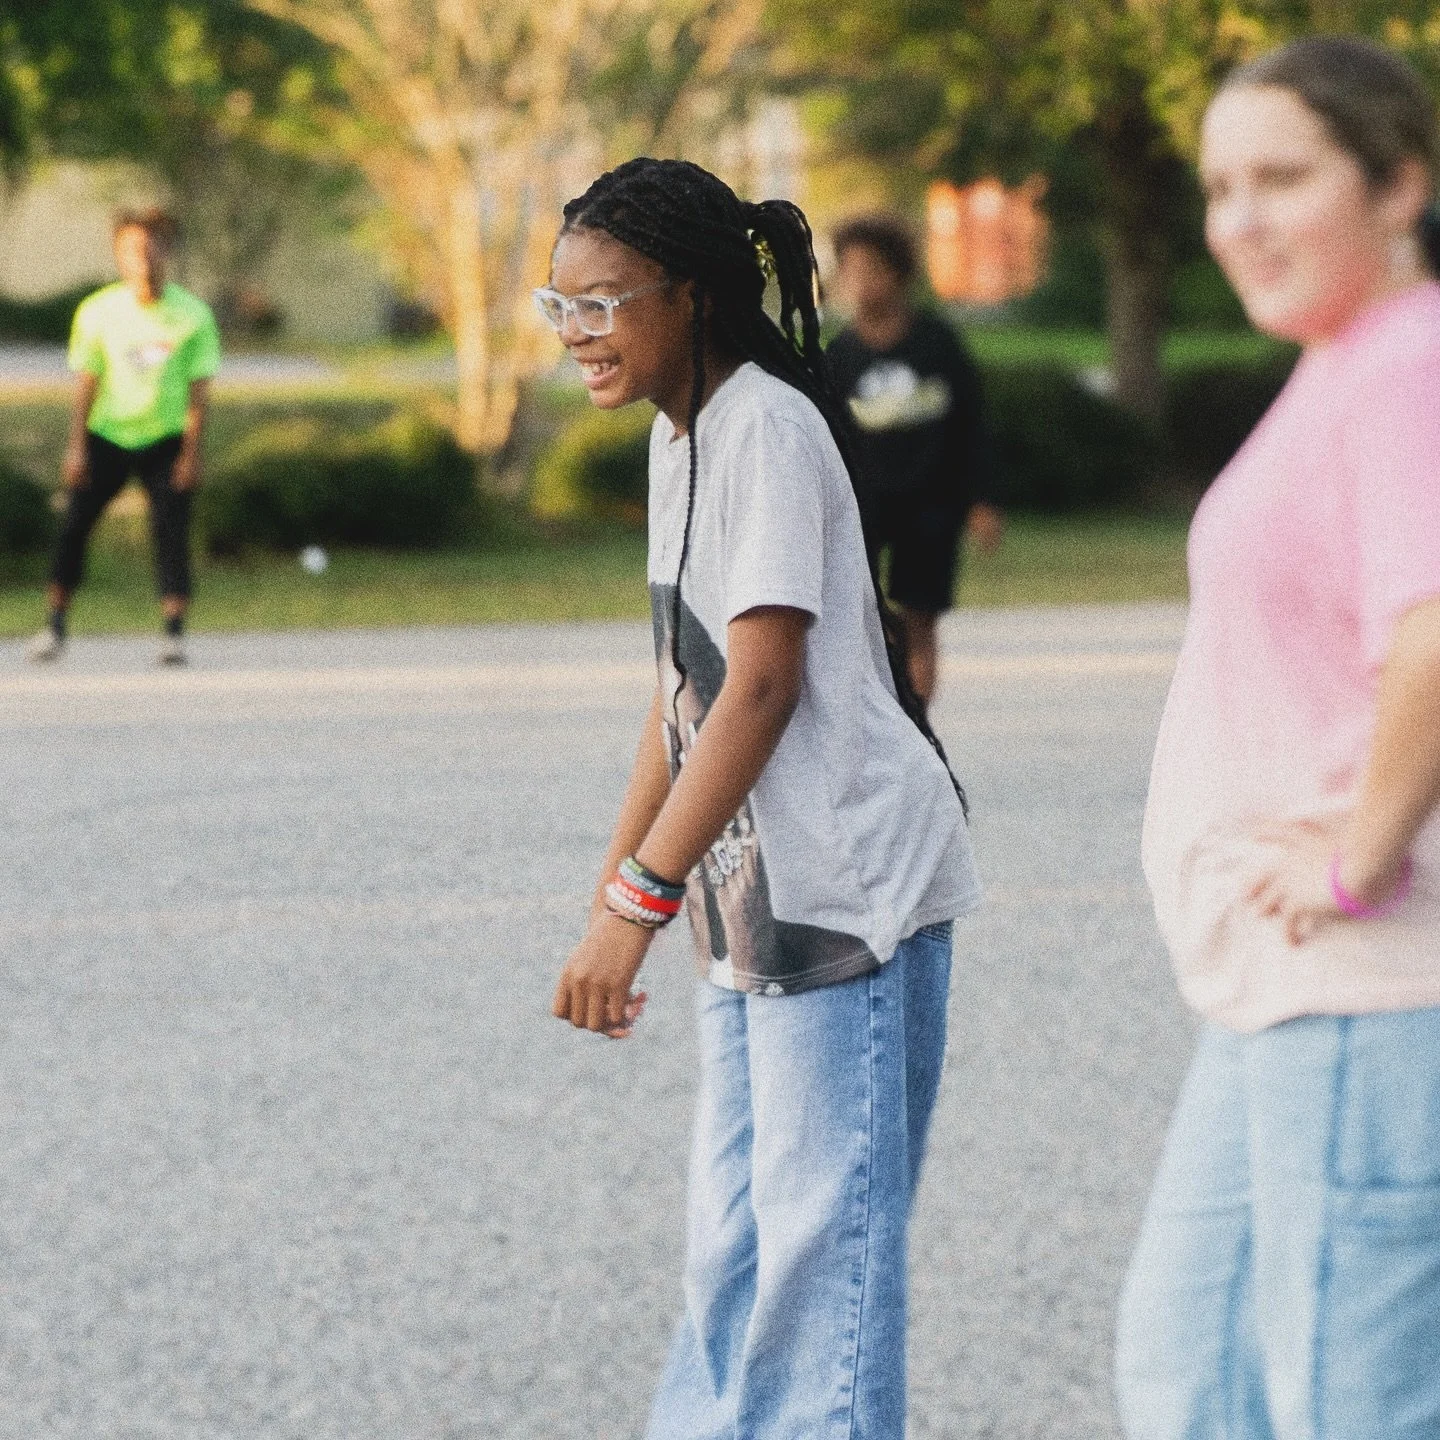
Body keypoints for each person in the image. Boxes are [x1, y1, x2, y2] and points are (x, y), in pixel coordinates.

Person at [542, 159, 980, 1438]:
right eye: (558, 306)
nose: (577, 335)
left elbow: (762, 687)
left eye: (603, 303)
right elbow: (681, 690)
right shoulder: (679, 441)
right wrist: (614, 896)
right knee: (729, 1251)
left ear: (690, 296)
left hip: (846, 898)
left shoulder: (769, 430)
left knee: (817, 1266)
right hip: (754, 905)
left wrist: (637, 900)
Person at [1117, 36, 1440, 1439]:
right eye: (1219, 185)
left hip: (1370, 987)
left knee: (1350, 1406)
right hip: (1277, 994)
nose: (1238, 220)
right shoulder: (1342, 364)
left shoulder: (1409, 368)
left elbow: (1434, 629)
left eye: (1282, 179)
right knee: (1194, 1376)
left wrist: (1361, 859)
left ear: (1398, 184)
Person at [26, 207, 220, 667]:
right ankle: (54, 624)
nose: (143, 258)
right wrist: (76, 445)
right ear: (119, 255)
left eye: (152, 247)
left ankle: (173, 633)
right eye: (133, 249)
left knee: (170, 531)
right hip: (107, 435)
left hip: (165, 439)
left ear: (166, 252)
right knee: (74, 526)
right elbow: (87, 382)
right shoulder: (99, 312)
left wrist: (191, 452)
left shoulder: (192, 316)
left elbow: (199, 391)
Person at [826, 213, 1003, 708]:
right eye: (850, 271)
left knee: (920, 618)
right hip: (866, 508)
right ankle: (879, 712)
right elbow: (827, 444)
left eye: (872, 270)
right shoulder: (839, 357)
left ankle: (918, 725)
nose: (860, 283)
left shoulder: (936, 345)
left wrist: (982, 500)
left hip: (932, 504)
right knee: (864, 615)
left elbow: (972, 426)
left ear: (898, 275)